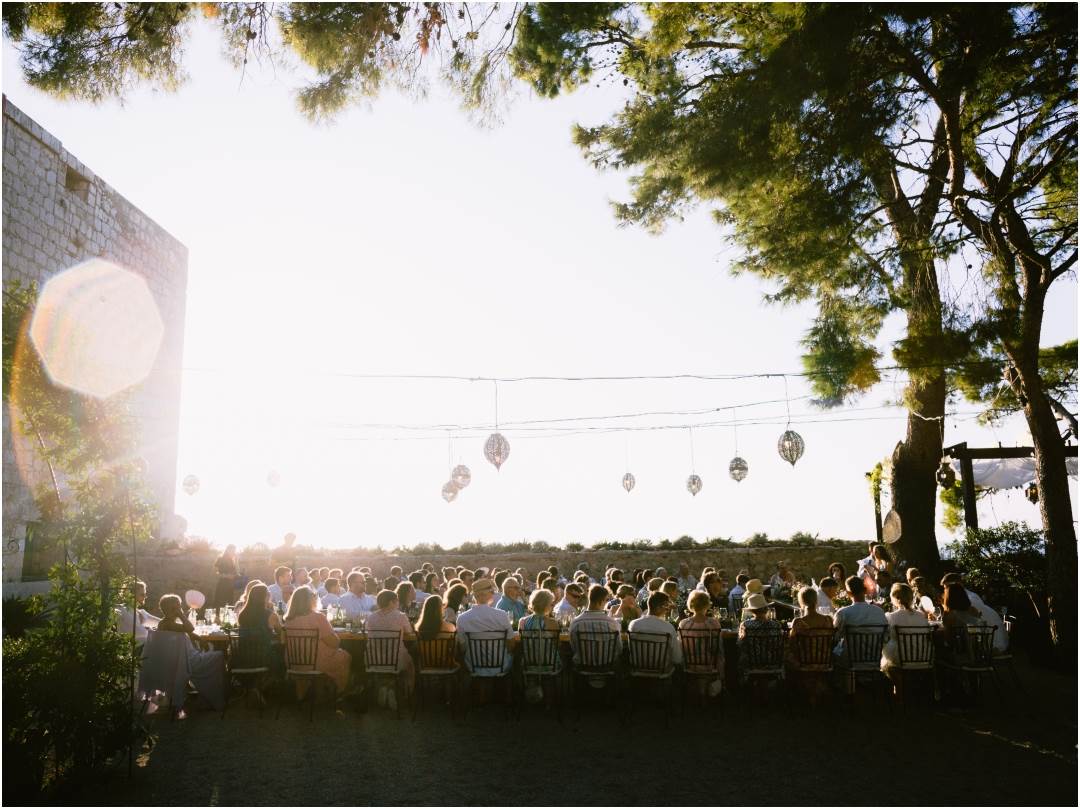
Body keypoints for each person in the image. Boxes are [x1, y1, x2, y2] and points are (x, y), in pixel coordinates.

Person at [156, 593, 226, 714]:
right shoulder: (168, 624)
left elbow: (188, 632)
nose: (179, 609)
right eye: (177, 607)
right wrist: (181, 615)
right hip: (187, 663)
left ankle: (206, 693)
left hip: (178, 661)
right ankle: (215, 695)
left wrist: (200, 639)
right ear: (170, 609)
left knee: (211, 652)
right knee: (221, 655)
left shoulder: (165, 623)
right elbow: (189, 628)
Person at [364, 588, 416, 708]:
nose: (398, 603)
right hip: (396, 659)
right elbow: (409, 632)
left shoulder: (371, 617)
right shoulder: (401, 616)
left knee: (386, 665)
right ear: (391, 602)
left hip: (374, 659)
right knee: (411, 664)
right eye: (396, 601)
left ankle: (385, 686)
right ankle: (406, 696)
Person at [455, 578, 516, 673]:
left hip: (473, 665)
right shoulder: (502, 615)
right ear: (488, 594)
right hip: (500, 665)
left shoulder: (462, 618)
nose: (494, 594)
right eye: (492, 592)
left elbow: (463, 647)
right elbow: (511, 644)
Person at [832, 575, 887, 659]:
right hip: (874, 659)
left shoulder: (843, 613)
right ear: (865, 590)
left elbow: (835, 637)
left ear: (848, 593)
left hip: (851, 660)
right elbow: (886, 637)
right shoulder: (879, 611)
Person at [628, 591, 682, 673]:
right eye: (666, 607)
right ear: (658, 608)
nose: (667, 610)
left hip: (638, 668)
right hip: (662, 670)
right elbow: (677, 658)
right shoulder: (668, 627)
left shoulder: (633, 624)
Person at [570, 584, 622, 665]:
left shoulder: (576, 623)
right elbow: (619, 649)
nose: (607, 602)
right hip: (607, 665)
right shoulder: (612, 624)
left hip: (583, 665)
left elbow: (573, 647)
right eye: (606, 600)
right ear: (600, 601)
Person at [881, 582, 929, 670]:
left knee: (886, 654)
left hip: (902, 658)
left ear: (895, 598)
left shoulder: (891, 616)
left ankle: (899, 683)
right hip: (922, 656)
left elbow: (885, 635)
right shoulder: (921, 616)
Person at [116, 579, 159, 644]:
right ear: (131, 595)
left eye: (145, 594)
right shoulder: (121, 609)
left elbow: (160, 622)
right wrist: (151, 629)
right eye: (142, 594)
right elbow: (141, 632)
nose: (145, 597)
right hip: (129, 650)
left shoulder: (142, 612)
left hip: (144, 648)